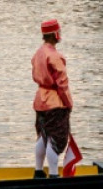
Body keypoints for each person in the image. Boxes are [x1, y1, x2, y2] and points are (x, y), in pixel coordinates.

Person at [31, 20, 73, 179]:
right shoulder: (55, 56)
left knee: (43, 135)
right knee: (55, 139)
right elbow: (62, 84)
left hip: (40, 99)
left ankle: (38, 171)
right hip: (55, 102)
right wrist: (68, 103)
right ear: (55, 34)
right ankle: (54, 175)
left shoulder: (38, 53)